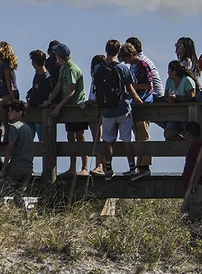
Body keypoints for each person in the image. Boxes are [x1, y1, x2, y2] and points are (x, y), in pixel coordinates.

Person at [96, 40, 140, 180]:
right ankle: (132, 168)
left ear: (106, 49)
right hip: (123, 108)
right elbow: (130, 88)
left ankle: (108, 169)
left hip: (107, 110)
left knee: (108, 140)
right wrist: (139, 101)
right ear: (118, 51)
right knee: (127, 140)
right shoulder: (123, 68)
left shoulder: (98, 68)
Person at [47, 43, 89, 177]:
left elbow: (71, 92)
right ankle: (72, 168)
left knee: (80, 136)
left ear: (60, 57)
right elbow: (59, 86)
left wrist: (58, 107)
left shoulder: (72, 69)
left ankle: (84, 167)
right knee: (70, 136)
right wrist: (49, 100)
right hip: (68, 106)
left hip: (77, 107)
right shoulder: (63, 68)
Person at [120, 42, 153, 180]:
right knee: (137, 135)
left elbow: (148, 85)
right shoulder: (132, 66)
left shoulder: (143, 65)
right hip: (135, 104)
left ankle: (145, 166)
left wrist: (132, 86)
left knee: (143, 134)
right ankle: (138, 166)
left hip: (144, 102)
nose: (126, 62)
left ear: (132, 54)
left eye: (126, 58)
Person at [0, 101, 35, 208]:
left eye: (11, 111)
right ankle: (24, 216)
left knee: (1, 192)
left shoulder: (14, 127)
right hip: (28, 167)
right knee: (18, 195)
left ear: (19, 113)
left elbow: (10, 148)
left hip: (16, 166)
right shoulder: (28, 128)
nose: (9, 113)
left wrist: (4, 168)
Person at [160, 60, 196, 140]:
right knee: (168, 134)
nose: (167, 72)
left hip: (187, 114)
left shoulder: (187, 81)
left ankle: (190, 147)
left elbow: (192, 97)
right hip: (174, 114)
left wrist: (177, 98)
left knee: (189, 134)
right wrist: (169, 98)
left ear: (174, 72)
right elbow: (165, 96)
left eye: (169, 70)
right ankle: (183, 143)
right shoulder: (169, 81)